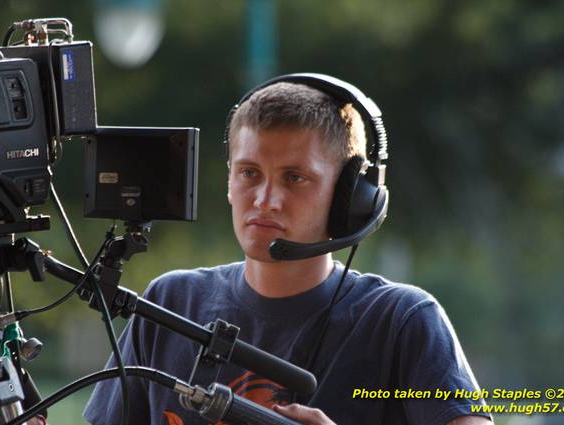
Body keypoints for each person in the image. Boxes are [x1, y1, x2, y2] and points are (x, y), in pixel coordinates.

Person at [84, 76, 493, 425]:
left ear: (349, 199)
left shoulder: (402, 321)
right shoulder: (169, 304)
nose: (265, 199)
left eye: (294, 178)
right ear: (229, 181)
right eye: (249, 173)